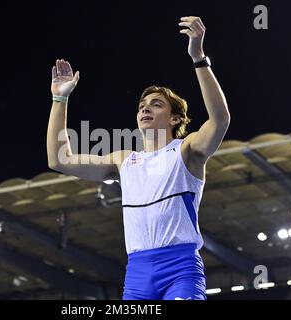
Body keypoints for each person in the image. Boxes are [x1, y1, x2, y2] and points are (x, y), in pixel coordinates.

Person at [47, 16, 230, 300]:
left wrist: (198, 58)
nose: (146, 108)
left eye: (156, 104)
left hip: (180, 268)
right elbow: (59, 160)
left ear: (175, 119)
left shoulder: (187, 150)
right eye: (142, 105)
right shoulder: (123, 160)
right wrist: (60, 100)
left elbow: (220, 120)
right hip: (138, 272)